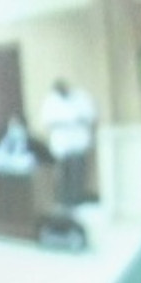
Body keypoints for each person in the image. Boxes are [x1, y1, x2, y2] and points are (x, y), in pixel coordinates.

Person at [41, 77, 98, 207]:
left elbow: (91, 116)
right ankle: (63, 200)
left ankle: (77, 199)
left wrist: (76, 120)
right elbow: (46, 121)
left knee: (78, 173)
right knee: (63, 173)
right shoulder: (51, 101)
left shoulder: (81, 97)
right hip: (62, 144)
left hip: (78, 141)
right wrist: (64, 121)